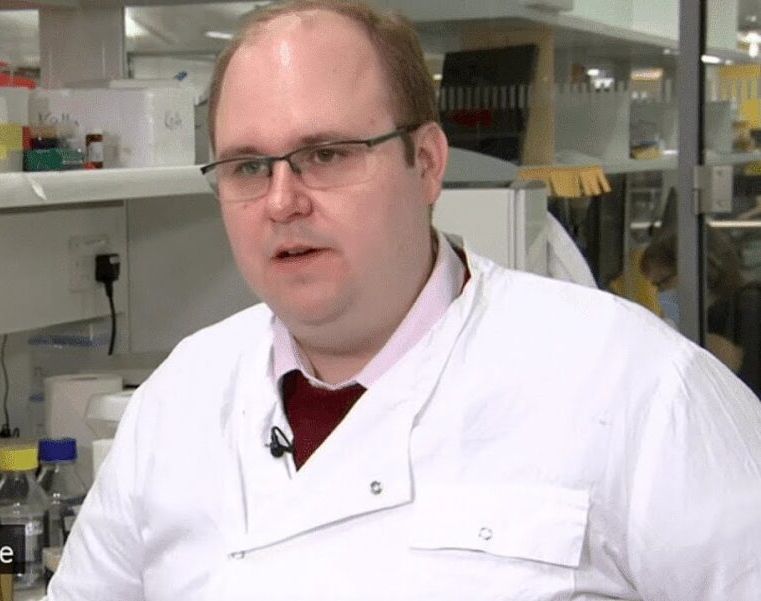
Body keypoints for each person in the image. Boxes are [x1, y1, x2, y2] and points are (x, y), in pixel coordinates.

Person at [47, 1, 761, 599]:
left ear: (425, 163)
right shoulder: (176, 403)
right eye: (247, 166)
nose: (282, 200)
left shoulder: (637, 385)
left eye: (326, 154)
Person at [642, 230, 761, 397]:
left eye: (664, 282)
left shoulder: (747, 310)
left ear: (703, 271)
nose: (661, 294)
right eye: (657, 286)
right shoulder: (710, 319)